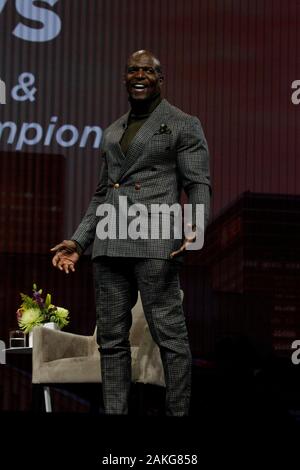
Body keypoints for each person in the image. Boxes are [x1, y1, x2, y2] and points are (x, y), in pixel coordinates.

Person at [51, 49, 211, 416]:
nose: (140, 76)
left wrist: (196, 226)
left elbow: (198, 182)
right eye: (133, 70)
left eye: (148, 71)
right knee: (110, 341)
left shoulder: (183, 123)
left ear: (160, 78)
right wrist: (78, 241)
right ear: (125, 78)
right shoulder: (112, 132)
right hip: (109, 244)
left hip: (155, 240)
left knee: (170, 336)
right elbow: (102, 194)